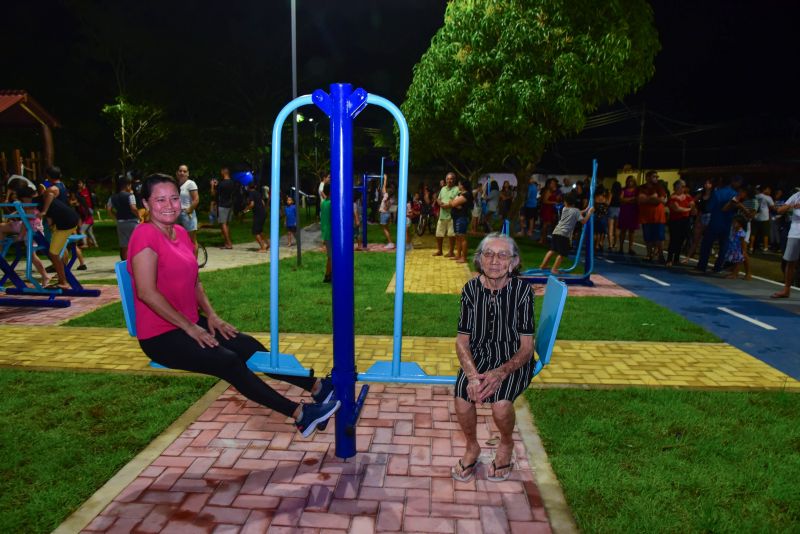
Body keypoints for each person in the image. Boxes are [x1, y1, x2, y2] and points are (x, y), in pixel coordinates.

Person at [127, 173, 340, 436]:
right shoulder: (144, 235)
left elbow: (194, 282)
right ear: (146, 204)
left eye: (174, 198)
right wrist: (192, 328)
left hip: (190, 323)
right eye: (160, 200)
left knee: (247, 345)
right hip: (161, 336)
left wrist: (212, 317)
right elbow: (146, 292)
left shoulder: (181, 233)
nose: (169, 205)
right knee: (228, 361)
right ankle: (301, 415)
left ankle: (318, 387)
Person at [452, 233, 535, 483]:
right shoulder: (470, 289)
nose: (495, 261)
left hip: (512, 357)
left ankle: (506, 444)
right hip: (478, 356)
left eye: (502, 255)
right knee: (462, 399)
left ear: (513, 262)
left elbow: (527, 346)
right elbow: (462, 340)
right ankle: (472, 447)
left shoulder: (522, 292)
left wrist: (500, 372)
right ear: (480, 259)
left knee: (500, 405)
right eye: (488, 254)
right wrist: (472, 376)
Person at [539, 192, 594, 274]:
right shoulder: (576, 211)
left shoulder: (565, 209)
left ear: (565, 202)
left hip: (556, 232)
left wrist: (585, 210)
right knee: (562, 254)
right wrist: (589, 213)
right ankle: (554, 269)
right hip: (564, 235)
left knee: (552, 250)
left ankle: (543, 266)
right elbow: (584, 221)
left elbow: (576, 213)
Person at [696, 176, 742, 273]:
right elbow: (735, 209)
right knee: (723, 246)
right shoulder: (734, 194)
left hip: (715, 221)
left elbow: (709, 207)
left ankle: (702, 265)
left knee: (707, 244)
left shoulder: (717, 193)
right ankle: (718, 267)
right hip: (727, 222)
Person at [770, 189, 800, 298]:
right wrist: (790, 206)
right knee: (790, 261)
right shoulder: (796, 195)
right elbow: (779, 210)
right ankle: (786, 290)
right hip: (794, 233)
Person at [107, 177, 142, 260]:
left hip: (120, 223)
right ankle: (137, 262)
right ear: (127, 185)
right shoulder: (130, 196)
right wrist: (139, 216)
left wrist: (115, 218)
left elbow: (108, 209)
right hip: (132, 222)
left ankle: (125, 264)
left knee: (124, 245)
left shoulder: (112, 197)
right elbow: (133, 208)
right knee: (136, 243)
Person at [638, 170, 668, 263]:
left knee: (659, 237)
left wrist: (649, 199)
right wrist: (653, 198)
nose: (656, 178)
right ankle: (649, 255)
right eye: (654, 176)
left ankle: (660, 255)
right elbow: (640, 199)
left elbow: (662, 200)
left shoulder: (660, 188)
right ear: (647, 178)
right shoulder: (642, 188)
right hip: (646, 217)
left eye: (657, 177)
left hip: (658, 216)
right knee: (648, 237)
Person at [665, 179, 695, 266]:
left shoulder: (687, 196)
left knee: (681, 240)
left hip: (685, 220)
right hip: (675, 221)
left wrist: (690, 208)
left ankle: (676, 258)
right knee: (674, 239)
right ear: (677, 187)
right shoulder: (672, 197)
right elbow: (677, 209)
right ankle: (669, 259)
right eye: (683, 186)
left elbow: (693, 204)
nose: (684, 188)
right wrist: (689, 209)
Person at [685, 179, 715, 263]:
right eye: (705, 183)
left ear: (712, 185)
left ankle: (703, 260)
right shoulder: (701, 194)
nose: (706, 184)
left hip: (710, 216)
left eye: (708, 183)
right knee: (696, 239)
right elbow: (692, 202)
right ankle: (688, 257)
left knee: (707, 240)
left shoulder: (714, 195)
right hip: (701, 216)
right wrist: (694, 208)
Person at [447, 178, 474, 263]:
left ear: (462, 185)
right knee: (458, 237)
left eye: (459, 184)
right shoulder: (460, 193)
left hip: (461, 217)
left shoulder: (466, 194)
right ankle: (458, 255)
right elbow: (451, 202)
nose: (458, 186)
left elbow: (453, 203)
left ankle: (464, 257)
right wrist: (454, 203)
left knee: (462, 237)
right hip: (457, 217)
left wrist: (453, 203)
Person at [176, 164, 200, 255]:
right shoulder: (176, 184)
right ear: (177, 173)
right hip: (177, 214)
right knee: (178, 239)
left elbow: (196, 199)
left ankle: (194, 264)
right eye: (180, 171)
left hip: (187, 214)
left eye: (184, 171)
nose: (182, 173)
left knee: (192, 240)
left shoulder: (190, 183)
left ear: (188, 173)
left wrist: (189, 210)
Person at [434, 172, 459, 256]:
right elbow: (438, 198)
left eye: (451, 179)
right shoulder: (443, 189)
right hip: (442, 215)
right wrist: (440, 203)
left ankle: (451, 252)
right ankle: (439, 251)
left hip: (452, 216)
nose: (449, 180)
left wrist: (447, 205)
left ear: (454, 180)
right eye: (448, 179)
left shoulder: (457, 189)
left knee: (451, 235)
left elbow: (456, 201)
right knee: (438, 234)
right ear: (445, 180)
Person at [211, 167, 236, 249]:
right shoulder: (232, 182)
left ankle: (229, 244)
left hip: (222, 205)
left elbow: (214, 194)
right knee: (227, 224)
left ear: (223, 172)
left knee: (223, 224)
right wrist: (217, 184)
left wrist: (212, 186)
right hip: (230, 205)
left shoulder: (222, 184)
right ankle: (227, 242)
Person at [618, 176, 640, 255]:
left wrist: (626, 200)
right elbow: (621, 199)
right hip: (625, 211)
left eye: (632, 181)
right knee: (623, 230)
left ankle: (631, 248)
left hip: (633, 212)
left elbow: (637, 200)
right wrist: (632, 199)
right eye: (628, 181)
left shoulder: (637, 190)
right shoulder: (623, 190)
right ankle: (621, 247)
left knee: (632, 231)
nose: (630, 182)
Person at [244, 182, 268, 252]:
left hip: (258, 214)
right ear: (255, 187)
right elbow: (263, 203)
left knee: (255, 232)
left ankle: (263, 248)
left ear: (248, 187)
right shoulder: (258, 193)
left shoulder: (251, 194)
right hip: (263, 213)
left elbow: (252, 204)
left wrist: (246, 210)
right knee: (260, 230)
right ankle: (267, 244)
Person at [724, 215, 749, 280]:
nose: (733, 223)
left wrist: (743, 251)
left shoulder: (741, 232)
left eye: (735, 222)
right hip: (733, 248)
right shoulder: (733, 229)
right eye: (733, 222)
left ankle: (735, 274)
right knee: (735, 261)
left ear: (740, 224)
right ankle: (734, 273)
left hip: (737, 249)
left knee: (738, 262)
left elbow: (743, 243)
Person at [752, 185, 774, 254]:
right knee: (765, 234)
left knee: (753, 233)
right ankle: (765, 248)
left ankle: (751, 247)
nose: (769, 191)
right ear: (764, 190)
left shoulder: (755, 196)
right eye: (768, 189)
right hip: (764, 217)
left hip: (755, 217)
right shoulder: (767, 197)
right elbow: (772, 206)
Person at [538, 178, 559, 245]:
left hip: (550, 210)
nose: (553, 184)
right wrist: (554, 202)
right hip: (547, 209)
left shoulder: (553, 191)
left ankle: (544, 239)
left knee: (547, 226)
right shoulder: (548, 191)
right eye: (552, 183)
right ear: (549, 184)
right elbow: (544, 201)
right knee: (545, 225)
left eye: (554, 183)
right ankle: (542, 239)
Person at [378, 176, 396, 250]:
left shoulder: (386, 196)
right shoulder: (392, 198)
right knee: (387, 228)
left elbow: (383, 187)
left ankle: (390, 243)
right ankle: (390, 242)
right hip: (388, 214)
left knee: (384, 229)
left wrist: (385, 179)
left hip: (384, 213)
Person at [320, 183, 332, 282]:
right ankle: (327, 275)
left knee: (330, 255)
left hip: (325, 232)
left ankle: (329, 274)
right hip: (330, 233)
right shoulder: (331, 204)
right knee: (331, 256)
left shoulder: (324, 203)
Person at [593, 186, 609, 253]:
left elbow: (593, 206)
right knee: (601, 232)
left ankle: (595, 245)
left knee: (596, 232)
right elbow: (607, 204)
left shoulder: (595, 198)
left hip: (596, 215)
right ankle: (598, 244)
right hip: (603, 216)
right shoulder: (604, 198)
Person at [607, 182, 622, 250]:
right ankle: (615, 244)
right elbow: (622, 201)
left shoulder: (611, 192)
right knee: (617, 229)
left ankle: (610, 245)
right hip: (619, 209)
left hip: (611, 209)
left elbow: (608, 202)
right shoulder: (621, 192)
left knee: (610, 228)